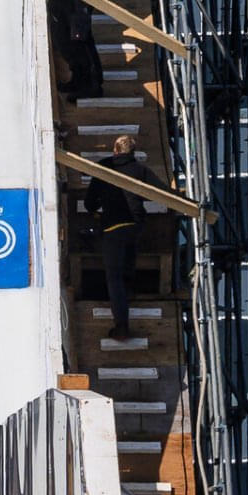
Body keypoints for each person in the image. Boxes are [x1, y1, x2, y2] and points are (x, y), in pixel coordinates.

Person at [76, 133, 147, 348]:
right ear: (132, 152)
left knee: (113, 277)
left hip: (113, 227)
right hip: (136, 225)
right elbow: (160, 190)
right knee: (128, 262)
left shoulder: (104, 167)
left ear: (114, 150)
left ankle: (122, 326)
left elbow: (89, 204)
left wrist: (101, 207)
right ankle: (130, 292)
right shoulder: (140, 169)